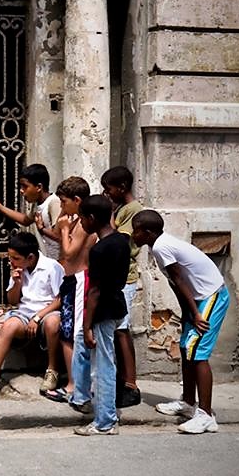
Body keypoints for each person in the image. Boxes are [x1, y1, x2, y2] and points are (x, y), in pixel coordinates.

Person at [131, 209, 230, 434]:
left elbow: (179, 279)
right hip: (198, 300)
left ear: (147, 233)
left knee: (198, 352)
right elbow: (176, 285)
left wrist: (195, 314)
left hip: (211, 295)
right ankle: (188, 402)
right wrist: (187, 312)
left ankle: (206, 415)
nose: (133, 234)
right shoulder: (159, 246)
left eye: (136, 231)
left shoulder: (161, 247)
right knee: (186, 348)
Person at [0, 231, 64, 402]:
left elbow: (60, 299)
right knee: (9, 326)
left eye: (16, 258)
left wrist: (38, 317)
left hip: (47, 312)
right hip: (24, 312)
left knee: (53, 323)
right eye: (10, 257)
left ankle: (52, 371)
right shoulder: (19, 269)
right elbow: (12, 300)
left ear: (31, 257)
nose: (11, 262)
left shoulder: (52, 267)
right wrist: (17, 283)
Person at [73, 194, 130, 436]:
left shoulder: (98, 250)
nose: (80, 224)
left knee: (105, 364)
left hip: (103, 310)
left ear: (92, 218)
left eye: (81, 219)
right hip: (117, 303)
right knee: (81, 343)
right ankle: (81, 396)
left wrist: (87, 324)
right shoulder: (121, 241)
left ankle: (105, 421)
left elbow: (94, 291)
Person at [43, 176, 97, 404]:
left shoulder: (84, 224)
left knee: (73, 335)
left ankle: (76, 385)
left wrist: (65, 230)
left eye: (64, 202)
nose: (62, 207)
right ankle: (74, 383)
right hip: (71, 281)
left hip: (79, 280)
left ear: (77, 200)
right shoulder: (75, 219)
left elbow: (69, 253)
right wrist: (63, 225)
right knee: (67, 334)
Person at [101, 165, 144, 409]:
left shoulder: (133, 210)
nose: (108, 194)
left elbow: (119, 240)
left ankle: (131, 384)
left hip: (125, 277)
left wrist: (108, 215)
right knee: (118, 328)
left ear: (122, 188)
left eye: (109, 190)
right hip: (118, 276)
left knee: (122, 329)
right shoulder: (123, 209)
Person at [0, 163, 61, 261]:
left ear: (39, 187)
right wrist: (0, 207)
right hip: (49, 260)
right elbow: (25, 220)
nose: (21, 191)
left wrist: (42, 229)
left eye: (25, 186)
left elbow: (59, 236)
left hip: (59, 262)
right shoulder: (37, 204)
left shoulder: (53, 202)